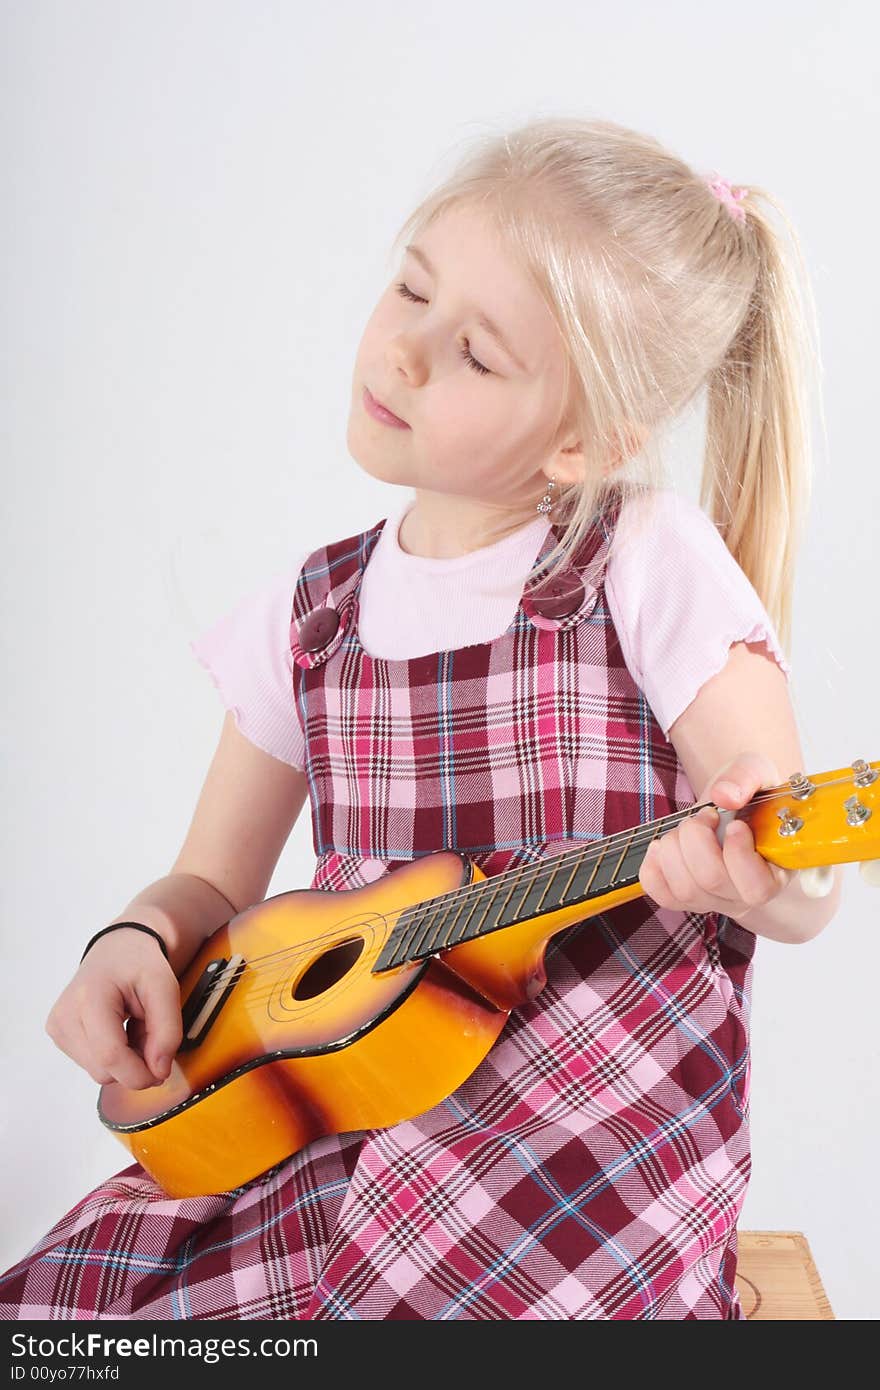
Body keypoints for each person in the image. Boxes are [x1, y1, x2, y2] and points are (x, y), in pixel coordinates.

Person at [0, 116, 843, 1321]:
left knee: (419, 1300)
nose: (401, 354)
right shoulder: (312, 614)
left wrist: (760, 882)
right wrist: (128, 941)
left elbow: (790, 841)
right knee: (73, 1302)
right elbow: (203, 885)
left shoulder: (643, 563)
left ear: (582, 442)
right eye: (410, 289)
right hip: (348, 1109)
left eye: (476, 355)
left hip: (584, 1127)